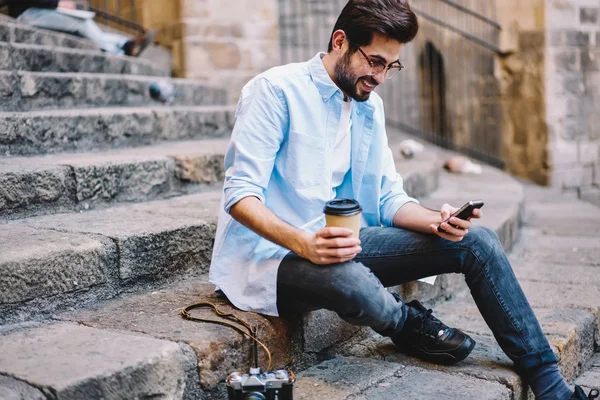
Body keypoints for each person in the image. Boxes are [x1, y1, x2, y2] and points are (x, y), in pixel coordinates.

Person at [208, 0, 596, 398]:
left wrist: (434, 221)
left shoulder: (368, 106)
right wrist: (305, 243)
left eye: (390, 67)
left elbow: (389, 196)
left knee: (476, 243)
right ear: (340, 41)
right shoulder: (274, 91)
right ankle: (406, 323)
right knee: (349, 278)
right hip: (272, 255)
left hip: (344, 242)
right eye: (375, 61)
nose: (380, 76)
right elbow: (240, 196)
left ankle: (551, 386)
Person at [7, 0, 155, 57]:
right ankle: (124, 46)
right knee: (81, 22)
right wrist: (57, 4)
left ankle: (123, 47)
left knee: (83, 22)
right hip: (27, 13)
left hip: (37, 11)